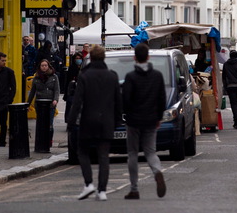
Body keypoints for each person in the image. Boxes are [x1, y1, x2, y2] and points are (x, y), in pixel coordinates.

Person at [68, 45, 123, 202]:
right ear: (104, 57)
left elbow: (77, 102)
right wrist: (117, 121)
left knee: (83, 152)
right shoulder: (112, 76)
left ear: (90, 58)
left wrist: (71, 122)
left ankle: (88, 183)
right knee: (103, 155)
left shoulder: (85, 76)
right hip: (107, 121)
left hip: (88, 120)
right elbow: (118, 102)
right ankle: (102, 191)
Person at [122, 43, 167, 200]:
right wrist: (159, 117)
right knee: (150, 152)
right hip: (151, 119)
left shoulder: (130, 77)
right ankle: (157, 171)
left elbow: (125, 100)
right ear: (148, 57)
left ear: (135, 58)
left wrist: (127, 116)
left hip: (134, 120)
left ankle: (134, 189)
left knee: (133, 153)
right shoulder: (157, 76)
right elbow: (162, 98)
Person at [27, 59, 61, 145]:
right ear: (40, 67)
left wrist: (55, 100)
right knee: (41, 124)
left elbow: (57, 90)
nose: (44, 67)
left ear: (48, 66)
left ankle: (49, 140)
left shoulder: (54, 77)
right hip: (39, 104)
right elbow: (32, 92)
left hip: (50, 105)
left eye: (46, 65)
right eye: (42, 65)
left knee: (49, 124)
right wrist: (28, 104)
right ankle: (41, 141)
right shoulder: (37, 77)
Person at [222, 50, 237, 129]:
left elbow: (224, 77)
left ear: (230, 56)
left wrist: (225, 86)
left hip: (230, 86)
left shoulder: (226, 64)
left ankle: (236, 120)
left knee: (233, 104)